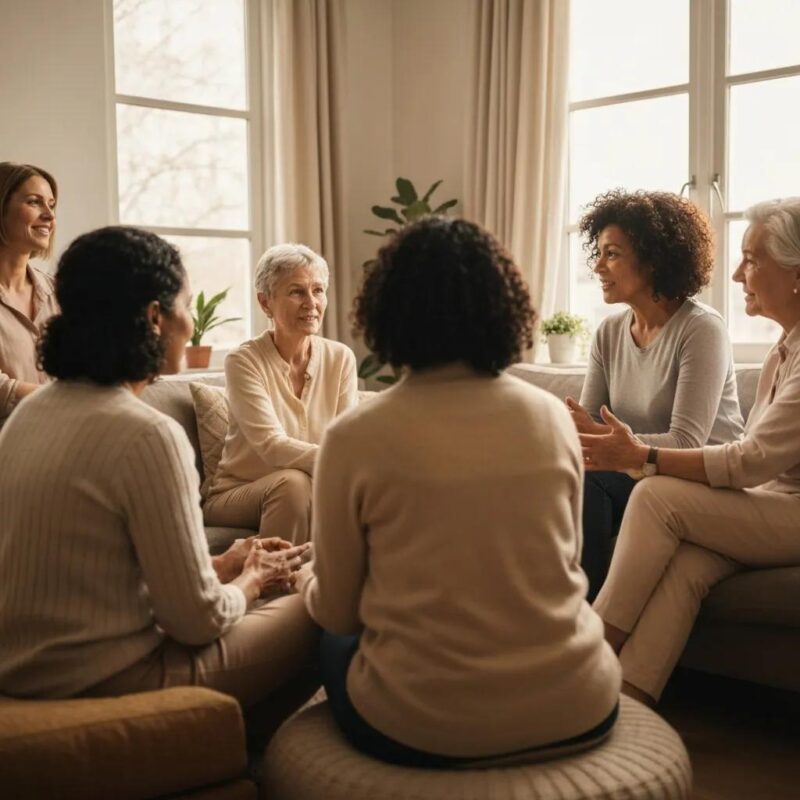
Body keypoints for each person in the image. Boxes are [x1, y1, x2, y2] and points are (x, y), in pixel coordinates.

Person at [296, 216, 621, 767]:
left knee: (325, 641)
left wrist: (306, 576)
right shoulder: (552, 418)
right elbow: (562, 564)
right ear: (505, 307)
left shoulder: (353, 438)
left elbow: (339, 613)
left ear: (386, 311)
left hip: (424, 723)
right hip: (580, 698)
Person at [0, 226, 317, 728]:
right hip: (109, 678)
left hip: (22, 671)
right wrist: (254, 580)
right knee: (316, 601)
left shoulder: (26, 418)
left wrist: (222, 563)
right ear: (154, 318)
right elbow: (198, 622)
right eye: (187, 305)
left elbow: (103, 573)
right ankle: (246, 748)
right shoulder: (147, 434)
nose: (191, 323)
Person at [579, 197, 800, 707]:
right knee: (689, 566)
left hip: (787, 507)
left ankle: (582, 659)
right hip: (770, 501)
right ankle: (621, 703)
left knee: (657, 497)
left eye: (754, 259)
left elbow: (749, 458)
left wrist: (643, 457)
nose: (740, 272)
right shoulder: (784, 347)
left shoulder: (709, 329)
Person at [566, 190, 743, 600]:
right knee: (561, 475)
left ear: (653, 260)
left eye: (611, 254)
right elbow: (591, 428)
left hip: (700, 479)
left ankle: (578, 629)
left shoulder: (701, 330)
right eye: (599, 252)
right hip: (635, 476)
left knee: (587, 485)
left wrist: (611, 447)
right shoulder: (609, 332)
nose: (598, 266)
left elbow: (687, 441)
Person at [204, 243, 358, 544]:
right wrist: (343, 462)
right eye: (297, 291)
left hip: (315, 484)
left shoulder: (341, 358)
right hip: (238, 492)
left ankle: (327, 583)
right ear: (265, 303)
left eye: (318, 290)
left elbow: (347, 438)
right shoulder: (243, 361)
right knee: (293, 484)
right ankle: (272, 580)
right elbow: (271, 446)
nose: (311, 302)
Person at [0, 162, 59, 424]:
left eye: (52, 205)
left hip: (64, 440)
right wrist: (66, 400)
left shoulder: (60, 292)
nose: (49, 215)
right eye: (35, 202)